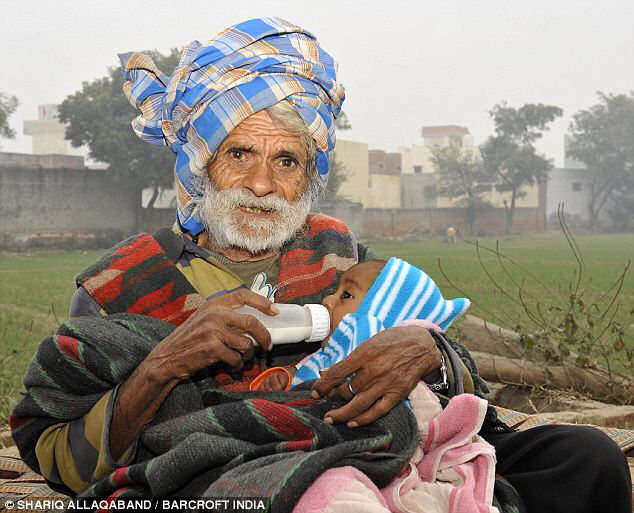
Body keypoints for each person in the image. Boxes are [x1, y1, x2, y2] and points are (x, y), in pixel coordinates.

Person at [11, 17, 631, 513]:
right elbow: (61, 459)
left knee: (584, 457)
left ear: (311, 175)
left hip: (377, 449)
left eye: (287, 162)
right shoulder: (118, 285)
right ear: (198, 162)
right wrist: (163, 365)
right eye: (240, 153)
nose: (261, 184)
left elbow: (454, 377)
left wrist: (430, 351)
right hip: (243, 479)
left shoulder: (336, 251)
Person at [253, 257, 470, 391]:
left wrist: (436, 361)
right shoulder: (327, 354)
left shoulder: (392, 369)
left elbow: (462, 381)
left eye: (345, 295)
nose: (327, 300)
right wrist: (286, 378)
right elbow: (305, 376)